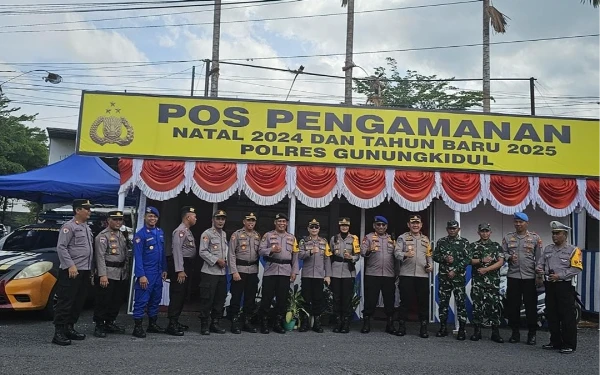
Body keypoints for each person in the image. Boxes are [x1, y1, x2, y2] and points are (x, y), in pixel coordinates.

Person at [52, 199, 94, 346]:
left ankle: (70, 327)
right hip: (72, 271)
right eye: (86, 209)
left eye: (90, 209)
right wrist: (70, 265)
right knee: (66, 301)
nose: (89, 211)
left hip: (84, 270)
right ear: (77, 210)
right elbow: (61, 247)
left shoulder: (86, 227)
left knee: (78, 301)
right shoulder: (69, 227)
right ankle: (59, 332)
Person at [537, 221, 583, 354]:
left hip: (564, 286)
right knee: (552, 314)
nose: (554, 236)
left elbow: (577, 268)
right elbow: (541, 263)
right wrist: (539, 270)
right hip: (550, 285)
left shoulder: (573, 250)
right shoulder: (548, 249)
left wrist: (560, 276)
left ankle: (569, 344)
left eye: (557, 233)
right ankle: (555, 341)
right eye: (553, 233)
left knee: (567, 316)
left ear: (565, 235)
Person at [502, 212, 543, 345]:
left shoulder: (535, 238)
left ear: (527, 223)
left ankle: (532, 334)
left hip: (529, 277)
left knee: (531, 307)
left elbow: (539, 259)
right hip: (513, 276)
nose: (518, 224)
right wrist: (508, 257)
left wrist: (539, 276)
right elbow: (502, 252)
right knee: (513, 306)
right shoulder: (508, 238)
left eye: (521, 222)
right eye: (516, 222)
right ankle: (515, 333)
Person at [258, 213, 299, 334]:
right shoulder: (268, 235)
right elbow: (260, 251)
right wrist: (271, 250)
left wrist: (294, 271)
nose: (281, 223)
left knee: (282, 299)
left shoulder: (292, 238)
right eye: (279, 221)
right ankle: (264, 323)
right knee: (267, 298)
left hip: (285, 271)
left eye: (283, 221)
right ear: (275, 223)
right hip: (271, 270)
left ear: (286, 223)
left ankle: (277, 323)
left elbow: (295, 256)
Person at [394, 214, 433, 338]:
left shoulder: (426, 239)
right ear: (408, 225)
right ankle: (402, 326)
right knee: (405, 301)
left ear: (421, 225)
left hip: (422, 275)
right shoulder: (402, 238)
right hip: (407, 274)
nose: (415, 225)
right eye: (413, 223)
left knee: (423, 302)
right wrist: (405, 254)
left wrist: (430, 265)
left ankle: (423, 327)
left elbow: (429, 255)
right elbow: (396, 253)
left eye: (417, 223)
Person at [131, 206, 168, 338]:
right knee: (142, 300)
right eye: (150, 216)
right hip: (147, 273)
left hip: (157, 273)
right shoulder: (140, 235)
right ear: (145, 217)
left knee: (155, 300)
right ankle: (138, 327)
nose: (152, 218)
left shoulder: (159, 232)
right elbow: (138, 257)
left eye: (154, 216)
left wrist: (164, 268)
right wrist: (141, 275)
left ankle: (152, 324)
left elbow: (162, 252)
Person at [93, 210, 129, 338]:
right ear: (108, 220)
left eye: (120, 220)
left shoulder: (122, 235)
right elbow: (100, 256)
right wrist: (102, 275)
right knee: (104, 300)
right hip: (108, 272)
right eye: (115, 219)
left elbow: (125, 255)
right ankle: (99, 324)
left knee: (116, 300)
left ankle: (109, 322)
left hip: (120, 273)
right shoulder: (103, 236)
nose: (118, 222)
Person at [432, 220, 470, 340]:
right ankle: (443, 327)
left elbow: (467, 259)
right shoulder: (441, 241)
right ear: (447, 229)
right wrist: (444, 258)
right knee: (443, 303)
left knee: (461, 304)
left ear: (458, 229)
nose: (452, 230)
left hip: (458, 278)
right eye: (450, 228)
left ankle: (462, 329)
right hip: (444, 277)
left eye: (454, 228)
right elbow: (435, 256)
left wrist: (455, 270)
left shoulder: (464, 242)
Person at [360, 216, 398, 334]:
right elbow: (362, 252)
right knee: (370, 299)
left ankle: (390, 323)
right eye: (378, 224)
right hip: (372, 274)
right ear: (374, 226)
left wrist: (397, 273)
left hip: (389, 274)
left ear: (386, 226)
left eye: (383, 225)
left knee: (389, 300)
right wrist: (369, 250)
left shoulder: (392, 239)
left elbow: (397, 258)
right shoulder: (369, 238)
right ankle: (366, 323)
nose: (380, 227)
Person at [468, 223, 505, 343]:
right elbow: (467, 260)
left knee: (493, 307)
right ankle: (477, 331)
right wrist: (481, 260)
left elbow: (500, 262)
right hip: (478, 282)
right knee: (477, 306)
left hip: (492, 282)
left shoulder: (496, 246)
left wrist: (486, 269)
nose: (485, 233)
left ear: (490, 232)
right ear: (478, 232)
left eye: (487, 231)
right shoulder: (473, 246)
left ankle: (495, 332)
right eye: (482, 231)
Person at [166, 206, 197, 336]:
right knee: (177, 295)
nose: (196, 219)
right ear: (188, 217)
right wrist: (180, 270)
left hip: (187, 265)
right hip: (181, 266)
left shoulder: (187, 231)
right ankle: (171, 324)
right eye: (194, 216)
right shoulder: (180, 231)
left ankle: (176, 320)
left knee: (182, 295)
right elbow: (177, 251)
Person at [228, 212, 261, 334]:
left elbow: (259, 253)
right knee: (236, 297)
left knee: (250, 298)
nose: (251, 223)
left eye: (253, 221)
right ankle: (234, 322)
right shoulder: (236, 235)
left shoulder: (257, 236)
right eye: (249, 220)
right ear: (244, 222)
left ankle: (247, 321)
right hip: (239, 270)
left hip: (252, 271)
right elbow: (231, 254)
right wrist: (234, 271)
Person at [298, 219, 332, 333]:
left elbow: (327, 259)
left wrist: (327, 275)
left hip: (318, 275)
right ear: (308, 229)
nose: (314, 229)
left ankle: (317, 323)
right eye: (311, 227)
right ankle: (305, 322)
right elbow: (300, 255)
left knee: (318, 299)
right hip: (307, 275)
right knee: (305, 299)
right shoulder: (303, 241)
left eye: (316, 227)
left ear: (319, 229)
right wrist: (310, 252)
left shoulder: (324, 242)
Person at [198, 209, 229, 335]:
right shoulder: (207, 234)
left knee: (219, 300)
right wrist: (216, 260)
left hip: (221, 273)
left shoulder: (224, 234)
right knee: (207, 300)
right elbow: (202, 251)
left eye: (222, 219)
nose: (220, 221)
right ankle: (204, 325)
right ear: (213, 220)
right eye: (218, 218)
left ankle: (215, 324)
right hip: (209, 272)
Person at [329, 217, 360, 334]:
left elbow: (358, 255)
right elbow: (330, 254)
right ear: (339, 226)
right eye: (342, 225)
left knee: (346, 299)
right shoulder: (334, 239)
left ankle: (346, 323)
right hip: (336, 270)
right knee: (336, 298)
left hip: (348, 271)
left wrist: (351, 258)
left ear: (349, 226)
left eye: (346, 225)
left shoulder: (354, 239)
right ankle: (338, 322)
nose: (344, 227)